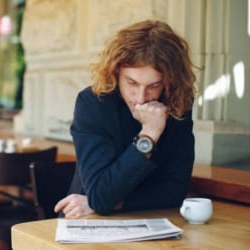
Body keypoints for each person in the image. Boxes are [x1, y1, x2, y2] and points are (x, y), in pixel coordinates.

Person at [54, 20, 196, 218]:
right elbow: (101, 197)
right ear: (116, 72)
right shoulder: (93, 104)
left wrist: (115, 203)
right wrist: (149, 134)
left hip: (151, 221)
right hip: (88, 223)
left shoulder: (178, 105)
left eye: (154, 85)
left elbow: (175, 190)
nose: (141, 97)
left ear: (169, 82)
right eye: (132, 83)